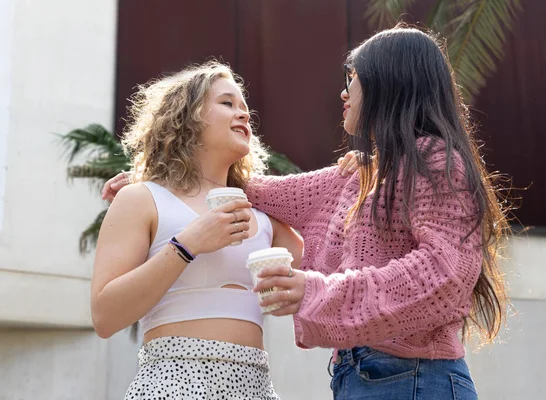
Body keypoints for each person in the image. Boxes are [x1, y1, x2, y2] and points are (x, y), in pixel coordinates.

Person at [103, 25, 509, 399]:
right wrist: (157, 180)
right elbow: (253, 188)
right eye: (227, 103)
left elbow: (444, 277)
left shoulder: (435, 161)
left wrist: (313, 290)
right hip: (355, 376)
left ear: (390, 83)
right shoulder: (355, 178)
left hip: (417, 376)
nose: (344, 93)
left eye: (353, 80)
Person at [92, 61, 308, 400]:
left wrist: (354, 178)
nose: (244, 115)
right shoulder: (142, 198)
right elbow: (105, 317)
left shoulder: (266, 216)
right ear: (187, 116)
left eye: (245, 108)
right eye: (227, 103)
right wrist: (187, 244)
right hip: (172, 383)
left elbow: (334, 267)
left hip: (256, 386)